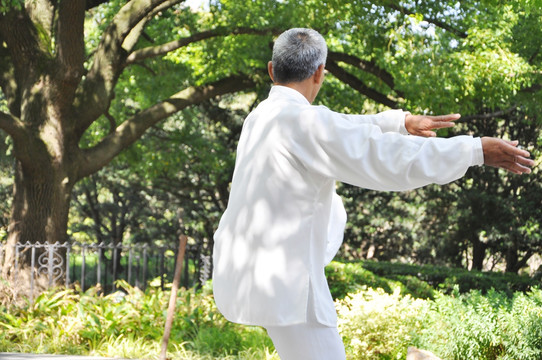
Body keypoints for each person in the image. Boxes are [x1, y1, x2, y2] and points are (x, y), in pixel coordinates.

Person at [212, 28, 534, 360]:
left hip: (255, 272)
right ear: (320, 72)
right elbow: (384, 157)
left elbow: (338, 125)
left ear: (271, 70)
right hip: (290, 285)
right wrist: (474, 150)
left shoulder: (261, 118)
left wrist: (399, 122)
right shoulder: (302, 123)